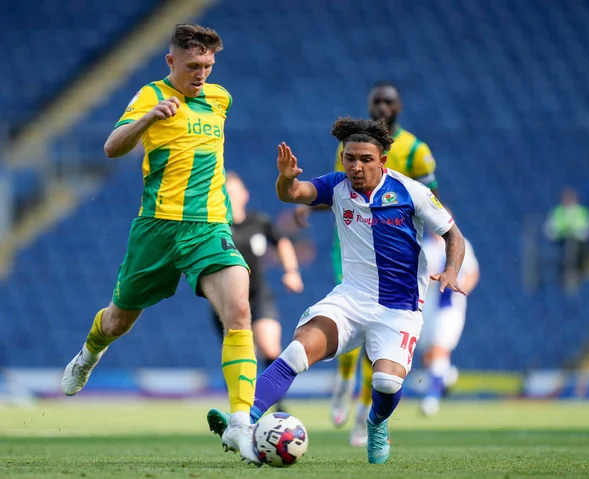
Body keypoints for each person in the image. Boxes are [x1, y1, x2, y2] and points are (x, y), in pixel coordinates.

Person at [207, 117, 466, 465]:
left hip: (398, 309)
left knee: (387, 383)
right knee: (296, 352)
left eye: (365, 159)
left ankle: (376, 423)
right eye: (349, 158)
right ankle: (244, 421)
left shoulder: (411, 192)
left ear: (382, 161)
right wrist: (286, 179)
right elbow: (294, 194)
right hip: (350, 300)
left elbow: (453, 234)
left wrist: (450, 270)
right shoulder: (336, 187)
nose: (356, 167)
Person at [60, 24, 258, 459]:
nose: (201, 73)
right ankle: (88, 356)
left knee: (240, 311)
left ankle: (241, 424)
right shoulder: (151, 95)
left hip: (208, 227)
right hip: (157, 228)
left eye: (207, 65)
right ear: (171, 62)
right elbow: (112, 147)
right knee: (117, 323)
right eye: (192, 66)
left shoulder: (221, 99)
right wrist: (149, 118)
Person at [296, 81, 440, 446]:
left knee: (378, 339)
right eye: (376, 101)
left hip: (393, 256)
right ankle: (342, 383)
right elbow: (337, 189)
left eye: (388, 102)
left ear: (399, 107)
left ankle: (364, 416)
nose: (382, 107)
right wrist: (304, 204)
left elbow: (428, 201)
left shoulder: (418, 152)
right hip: (349, 246)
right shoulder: (351, 148)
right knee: (349, 314)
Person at [211, 172, 304, 412]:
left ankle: (279, 407)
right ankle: (241, 409)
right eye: (225, 193)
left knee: (270, 347)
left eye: (234, 192)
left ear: (245, 195)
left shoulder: (259, 222)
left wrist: (291, 271)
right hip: (225, 301)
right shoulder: (215, 226)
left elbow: (281, 241)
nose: (230, 197)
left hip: (259, 295)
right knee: (244, 358)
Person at [419, 227, 479, 416]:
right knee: (429, 356)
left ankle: (432, 398)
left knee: (439, 349)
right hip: (427, 306)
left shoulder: (461, 244)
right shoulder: (424, 247)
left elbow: (472, 272)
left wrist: (461, 289)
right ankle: (446, 375)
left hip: (449, 307)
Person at [544, 187, 589, 290]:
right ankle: (565, 274)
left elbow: (586, 231)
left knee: (573, 245)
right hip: (561, 242)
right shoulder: (557, 212)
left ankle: (575, 273)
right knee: (567, 246)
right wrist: (563, 232)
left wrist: (573, 232)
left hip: (579, 243)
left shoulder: (583, 212)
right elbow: (550, 230)